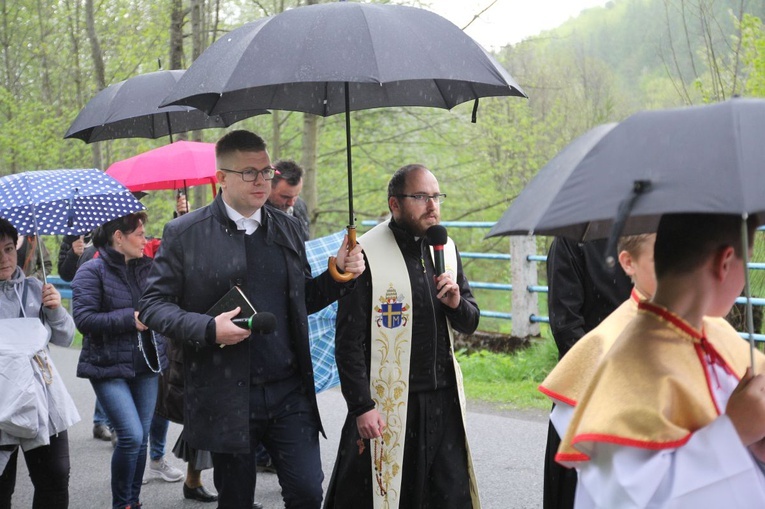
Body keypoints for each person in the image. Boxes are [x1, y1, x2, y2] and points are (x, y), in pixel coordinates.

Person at [138, 129, 365, 509]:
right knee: (237, 499)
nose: (262, 180)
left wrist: (338, 272)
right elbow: (153, 306)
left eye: (266, 171)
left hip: (289, 389)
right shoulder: (184, 234)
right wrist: (209, 329)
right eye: (249, 173)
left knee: (308, 492)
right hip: (226, 393)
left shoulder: (289, 227)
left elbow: (301, 300)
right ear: (221, 178)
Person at [555, 213, 765, 507]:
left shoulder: (710, 337)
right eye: (750, 258)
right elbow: (627, 497)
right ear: (725, 262)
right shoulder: (629, 368)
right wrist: (733, 433)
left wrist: (754, 448)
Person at [324, 164, 481, 509]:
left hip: (443, 401)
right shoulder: (364, 254)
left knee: (448, 497)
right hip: (390, 404)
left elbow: (470, 321)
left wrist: (456, 304)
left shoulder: (446, 248)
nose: (432, 206)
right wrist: (361, 406)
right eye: (421, 197)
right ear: (395, 204)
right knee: (389, 495)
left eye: (436, 196)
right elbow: (348, 341)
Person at [72, 212, 168, 509]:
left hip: (145, 364)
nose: (145, 239)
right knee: (131, 435)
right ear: (119, 237)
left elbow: (164, 303)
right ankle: (121, 503)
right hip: (107, 366)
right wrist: (129, 318)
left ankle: (132, 502)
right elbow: (84, 319)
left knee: (140, 441)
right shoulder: (91, 271)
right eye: (139, 234)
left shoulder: (148, 268)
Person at [543, 237, 633, 509]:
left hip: (641, 384)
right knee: (577, 489)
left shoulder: (650, 231)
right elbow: (566, 324)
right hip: (585, 385)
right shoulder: (572, 240)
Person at [0, 218, 79, 509]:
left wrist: (56, 308)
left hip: (42, 398)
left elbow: (67, 337)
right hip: (1, 401)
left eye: (8, 249)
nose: (4, 258)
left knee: (55, 479)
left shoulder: (36, 289)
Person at [539, 234, 656, 410]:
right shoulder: (574, 239)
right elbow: (566, 325)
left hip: (649, 379)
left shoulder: (655, 233)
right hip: (589, 382)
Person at [57, 232, 114, 443]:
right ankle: (104, 422)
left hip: (111, 301)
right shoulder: (72, 234)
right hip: (90, 306)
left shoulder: (110, 229)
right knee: (105, 364)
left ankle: (106, 421)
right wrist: (73, 253)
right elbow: (65, 273)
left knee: (113, 364)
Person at [268, 159, 311, 241]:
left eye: (296, 195)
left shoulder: (300, 205)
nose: (291, 203)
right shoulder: (255, 213)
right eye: (285, 197)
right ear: (269, 187)